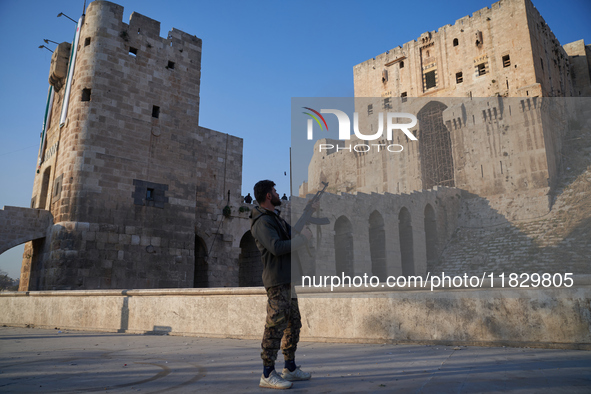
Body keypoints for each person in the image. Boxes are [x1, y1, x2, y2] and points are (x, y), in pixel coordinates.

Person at [250, 180, 313, 389]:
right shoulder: (262, 222)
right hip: (277, 281)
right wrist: (303, 240)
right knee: (275, 327)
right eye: (275, 191)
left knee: (293, 324)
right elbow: (277, 247)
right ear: (268, 195)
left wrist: (309, 213)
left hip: (288, 279)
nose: (278, 194)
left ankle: (290, 368)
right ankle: (267, 373)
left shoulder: (274, 218)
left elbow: (292, 234)